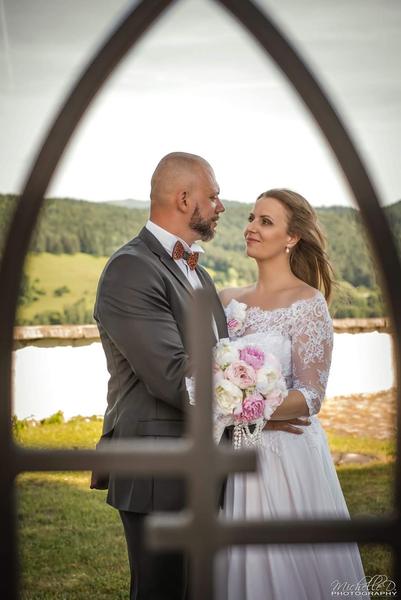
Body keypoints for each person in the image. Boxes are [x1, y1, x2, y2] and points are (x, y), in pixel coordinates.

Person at [93, 156, 310, 600]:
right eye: (213, 196)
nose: (221, 206)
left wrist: (257, 417)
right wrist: (262, 410)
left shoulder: (199, 273)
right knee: (163, 591)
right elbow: (173, 375)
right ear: (183, 199)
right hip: (158, 467)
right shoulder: (131, 269)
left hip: (205, 461)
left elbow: (220, 360)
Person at [216, 188, 369, 600]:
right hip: (240, 449)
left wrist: (245, 409)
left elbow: (311, 395)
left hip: (287, 457)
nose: (251, 227)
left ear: (292, 237)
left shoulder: (307, 303)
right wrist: (237, 412)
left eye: (265, 221)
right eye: (251, 218)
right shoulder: (227, 301)